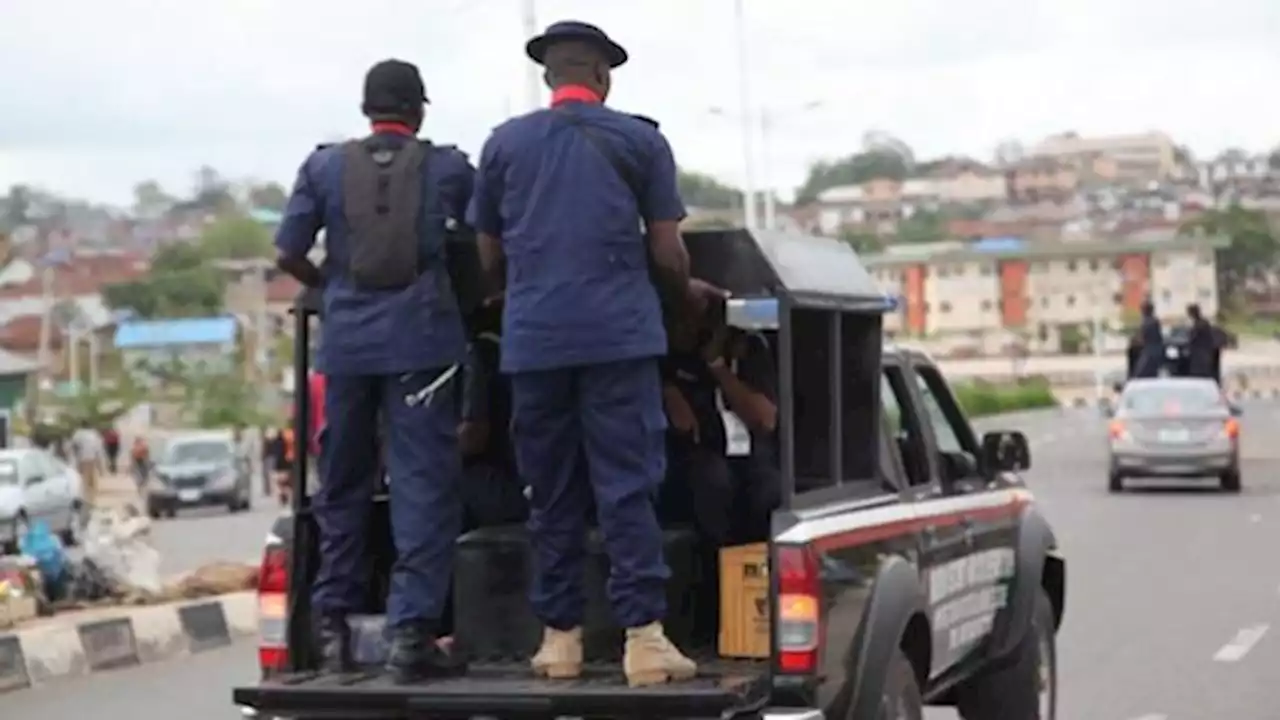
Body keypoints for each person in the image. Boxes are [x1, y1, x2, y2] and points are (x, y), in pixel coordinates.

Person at [468, 21, 720, 687]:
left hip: (534, 341)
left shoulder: (503, 145)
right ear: (603, 78)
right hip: (617, 338)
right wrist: (684, 298)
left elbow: (487, 254)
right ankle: (643, 640)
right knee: (625, 486)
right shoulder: (640, 141)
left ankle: (560, 641)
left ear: (549, 77)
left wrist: (514, 297)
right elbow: (668, 251)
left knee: (549, 490)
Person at [274, 59, 473, 683]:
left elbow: (287, 250)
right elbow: (485, 243)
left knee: (342, 484)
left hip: (347, 349)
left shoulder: (322, 166)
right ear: (419, 111)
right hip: (423, 346)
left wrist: (330, 288)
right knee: (422, 487)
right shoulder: (448, 168)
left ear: (367, 109)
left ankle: (333, 629)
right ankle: (410, 635)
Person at [69, 421, 104, 506]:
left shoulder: (77, 434)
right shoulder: (94, 434)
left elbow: (74, 446)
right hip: (92, 458)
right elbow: (98, 448)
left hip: (82, 458)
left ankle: (86, 498)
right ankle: (92, 498)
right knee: (92, 478)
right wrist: (100, 464)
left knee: (84, 478)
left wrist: (76, 457)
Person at [1132, 300, 1164, 379]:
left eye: (1142, 309)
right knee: (1151, 373)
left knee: (1141, 373)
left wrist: (1135, 341)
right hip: (1155, 350)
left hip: (1150, 351)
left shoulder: (1148, 322)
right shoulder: (1154, 321)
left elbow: (1143, 337)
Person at [1185, 304, 1217, 380]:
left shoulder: (1199, 324)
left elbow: (1192, 337)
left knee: (1200, 374)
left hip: (1201, 353)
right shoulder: (1202, 322)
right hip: (1204, 352)